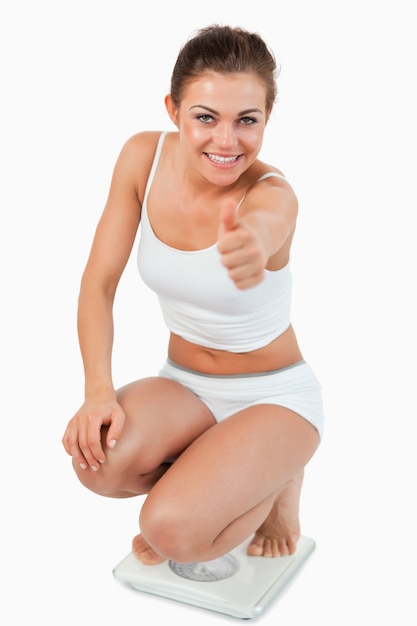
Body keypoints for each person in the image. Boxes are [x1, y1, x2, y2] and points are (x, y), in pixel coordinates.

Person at [62, 24, 324, 565]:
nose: (226, 142)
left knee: (173, 532)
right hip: (185, 386)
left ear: (267, 119)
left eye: (246, 120)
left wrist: (251, 243)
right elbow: (98, 283)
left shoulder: (273, 195)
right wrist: (97, 393)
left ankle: (274, 481)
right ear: (173, 109)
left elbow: (268, 223)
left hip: (273, 396)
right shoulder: (142, 158)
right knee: (97, 464)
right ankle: (223, 480)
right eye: (206, 117)